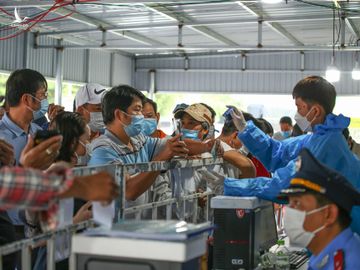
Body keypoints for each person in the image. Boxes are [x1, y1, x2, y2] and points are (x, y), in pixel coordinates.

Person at [224, 75, 360, 234]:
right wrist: (245, 129)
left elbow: (284, 185)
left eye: (299, 107)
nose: (297, 113)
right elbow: (278, 153)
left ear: (315, 111)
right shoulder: (316, 138)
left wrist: (229, 185)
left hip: (346, 230)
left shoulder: (328, 145)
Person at [88, 85, 189, 204]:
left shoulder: (138, 140)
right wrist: (160, 159)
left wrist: (208, 146)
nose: (142, 116)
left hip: (138, 220)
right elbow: (129, 192)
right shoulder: (103, 149)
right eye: (137, 110)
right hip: (115, 222)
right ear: (120, 115)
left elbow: (173, 144)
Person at [278, 148, 360, 270]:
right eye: (289, 204)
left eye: (297, 203)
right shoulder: (325, 257)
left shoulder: (347, 264)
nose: (289, 212)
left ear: (329, 214)